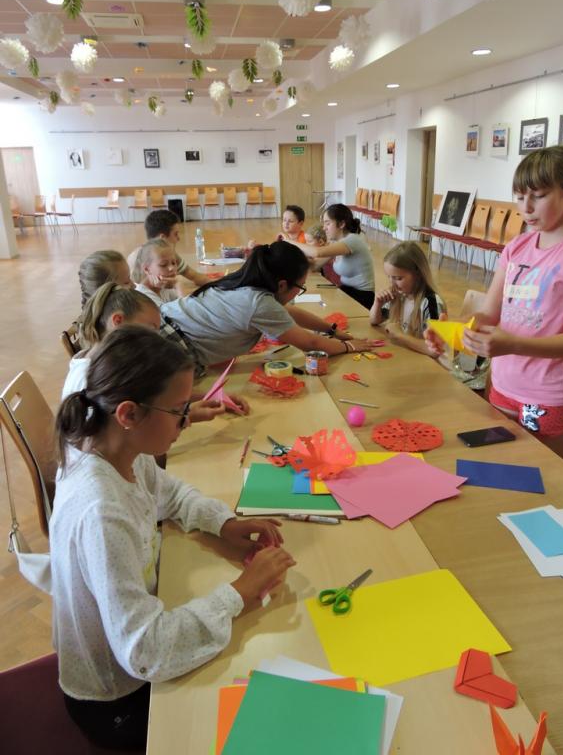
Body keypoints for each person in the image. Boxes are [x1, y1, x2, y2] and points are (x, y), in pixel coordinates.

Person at [52, 326, 294, 749]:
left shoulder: (120, 449)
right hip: (115, 697)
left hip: (131, 655)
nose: (187, 421)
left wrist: (222, 522)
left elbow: (168, 493)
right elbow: (146, 650)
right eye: (180, 411)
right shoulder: (101, 511)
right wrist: (240, 592)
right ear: (129, 414)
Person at [433, 145, 563, 462]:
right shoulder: (517, 246)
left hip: (550, 396)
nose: (527, 208)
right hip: (503, 386)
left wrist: (512, 344)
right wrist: (455, 331)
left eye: (538, 196)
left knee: (545, 481)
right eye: (520, 197)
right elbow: (490, 313)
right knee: (501, 472)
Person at [161, 241, 377, 374]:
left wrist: (332, 330)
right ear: (282, 285)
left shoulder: (246, 284)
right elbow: (310, 343)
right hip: (168, 347)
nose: (299, 291)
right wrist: (350, 346)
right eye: (300, 287)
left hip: (163, 323)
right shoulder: (259, 303)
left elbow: (289, 312)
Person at [64, 283, 249, 421]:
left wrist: (213, 397)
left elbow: (156, 394)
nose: (155, 339)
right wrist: (185, 417)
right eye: (150, 329)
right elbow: (130, 433)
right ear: (118, 321)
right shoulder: (93, 379)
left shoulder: (118, 363)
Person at [370, 241, 445, 356]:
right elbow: (374, 321)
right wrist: (377, 303)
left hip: (424, 362)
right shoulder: (398, 294)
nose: (392, 283)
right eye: (389, 277)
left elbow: (434, 350)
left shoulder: (430, 302)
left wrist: (400, 336)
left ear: (418, 274)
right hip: (405, 355)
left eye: (398, 278)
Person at [294, 203, 375, 309]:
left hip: (361, 296)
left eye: (327, 223)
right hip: (347, 291)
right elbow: (315, 265)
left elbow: (317, 252)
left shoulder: (352, 240)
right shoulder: (337, 243)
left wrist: (289, 242)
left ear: (341, 224)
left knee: (324, 308)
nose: (324, 228)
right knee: (319, 305)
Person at [128, 209, 209, 288]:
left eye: (173, 263)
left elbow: (194, 277)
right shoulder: (139, 259)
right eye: (175, 234)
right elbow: (194, 278)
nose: (178, 238)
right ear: (163, 238)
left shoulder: (165, 253)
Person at [134, 238, 181, 307]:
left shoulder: (164, 287)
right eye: (163, 265)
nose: (172, 268)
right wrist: (179, 285)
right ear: (147, 269)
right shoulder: (143, 297)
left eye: (173, 263)